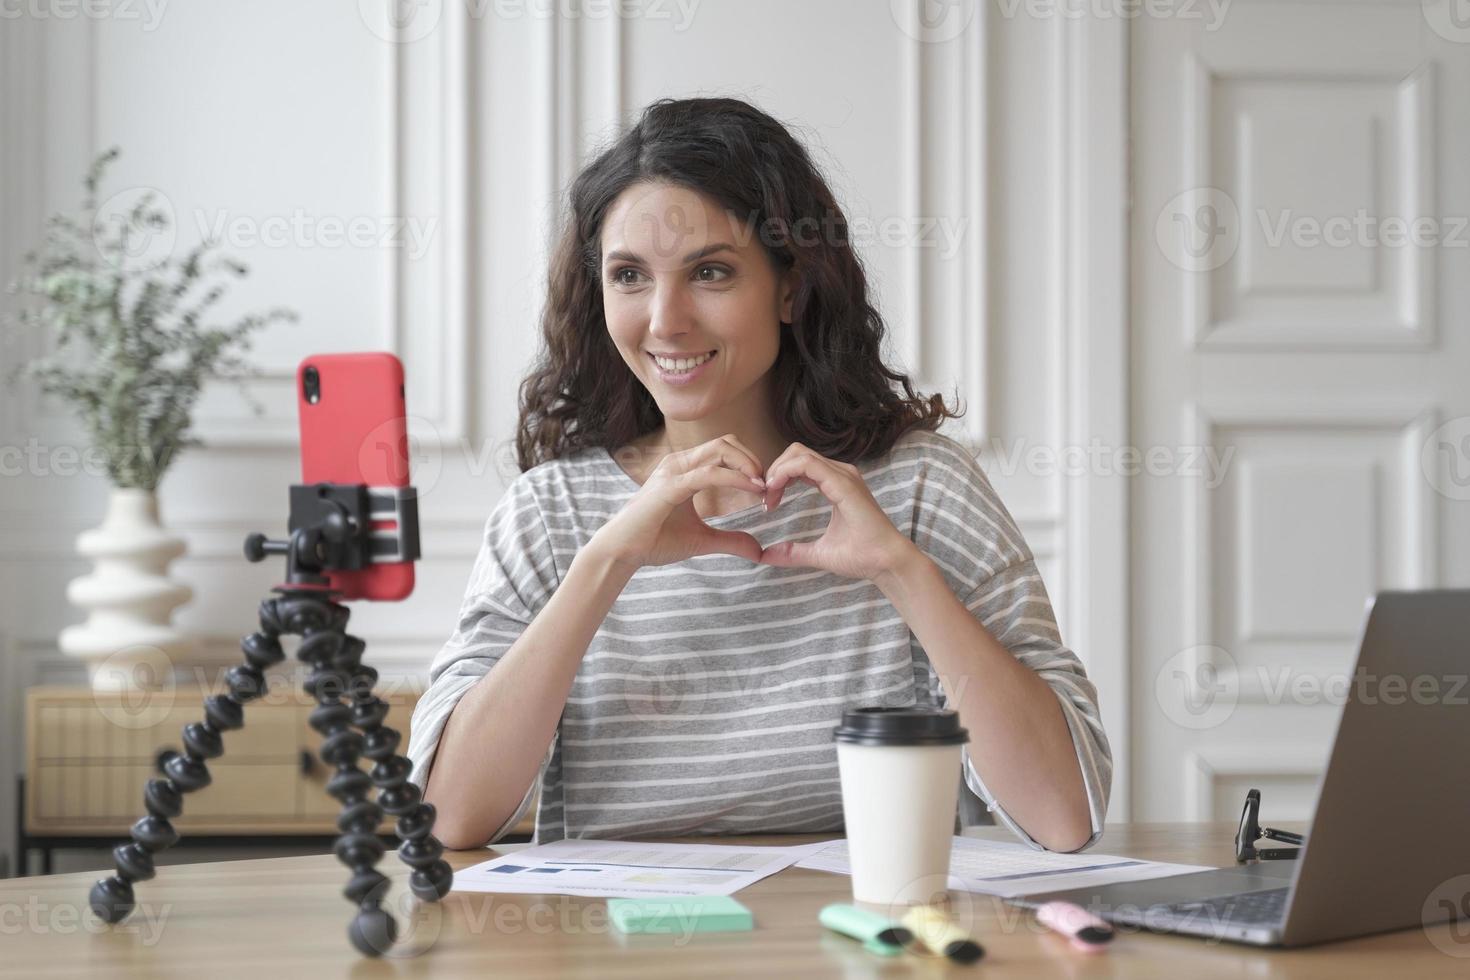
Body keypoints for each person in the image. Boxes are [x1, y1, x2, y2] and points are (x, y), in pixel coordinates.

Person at [406, 96, 1111, 853]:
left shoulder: (920, 488)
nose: (665, 321)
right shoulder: (551, 512)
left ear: (790, 286)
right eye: (629, 276)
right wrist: (607, 564)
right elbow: (449, 817)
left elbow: (1063, 812)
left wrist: (902, 574)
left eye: (710, 272)